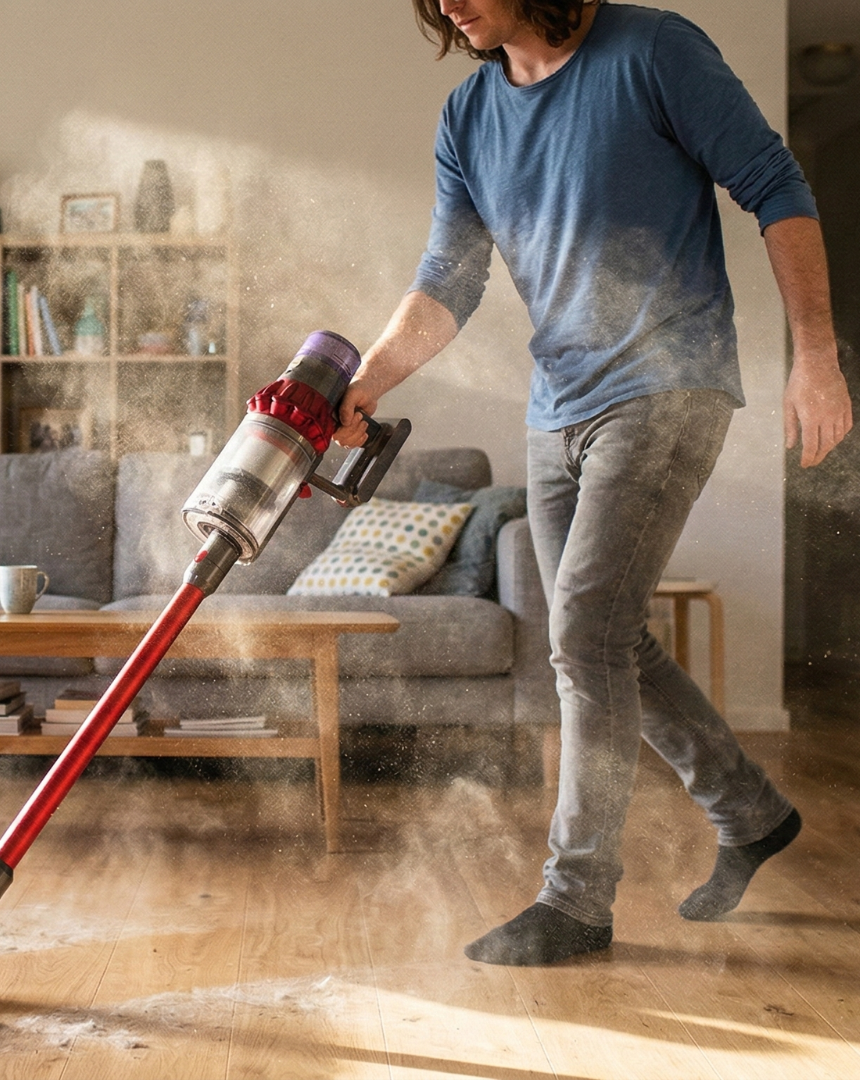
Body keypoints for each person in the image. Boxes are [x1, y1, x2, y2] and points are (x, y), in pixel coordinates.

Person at [334, 0, 852, 966]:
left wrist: (816, 356)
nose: (447, 2)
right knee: (604, 638)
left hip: (669, 385)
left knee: (581, 631)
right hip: (557, 408)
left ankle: (575, 899)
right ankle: (749, 809)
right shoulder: (469, 115)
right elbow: (448, 280)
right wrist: (363, 383)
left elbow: (776, 186)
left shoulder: (653, 49)